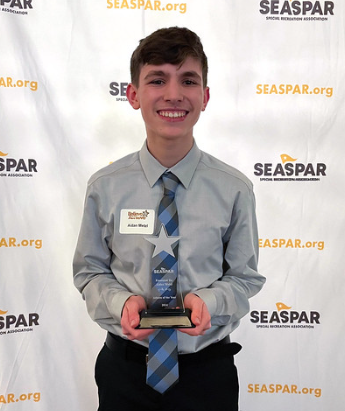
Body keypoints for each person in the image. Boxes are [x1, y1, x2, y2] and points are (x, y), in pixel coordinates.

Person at [73, 26, 265, 411]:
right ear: (133, 94)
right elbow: (89, 271)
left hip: (207, 375)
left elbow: (245, 278)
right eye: (157, 79)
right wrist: (120, 302)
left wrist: (208, 299)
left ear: (205, 96)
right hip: (125, 373)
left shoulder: (234, 189)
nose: (174, 94)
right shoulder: (105, 187)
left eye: (189, 80)